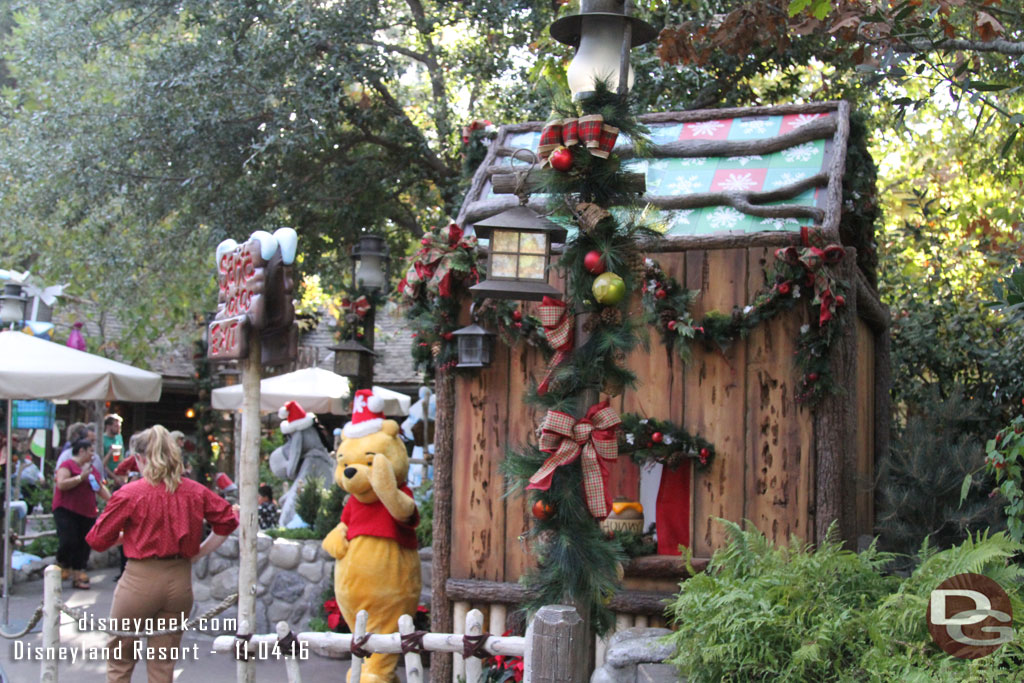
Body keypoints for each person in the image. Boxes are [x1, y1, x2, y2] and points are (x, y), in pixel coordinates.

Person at [86, 425, 239, 683]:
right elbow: (227, 521)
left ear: (141, 458)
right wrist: (199, 553)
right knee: (163, 666)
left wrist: (129, 537)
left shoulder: (130, 493)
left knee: (120, 661)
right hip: (179, 581)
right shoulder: (195, 491)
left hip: (139, 581)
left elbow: (98, 540)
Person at [53, 439, 111, 589]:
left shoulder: (92, 469)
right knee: (68, 540)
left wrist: (113, 501)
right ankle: (63, 563)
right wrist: (80, 478)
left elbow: (98, 487)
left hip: (87, 511)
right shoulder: (67, 465)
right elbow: (61, 483)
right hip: (66, 509)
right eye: (91, 451)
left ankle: (79, 573)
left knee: (84, 543)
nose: (93, 454)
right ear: (81, 451)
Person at [101, 414, 125, 484]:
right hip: (107, 476)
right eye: (116, 426)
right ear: (108, 426)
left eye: (120, 426)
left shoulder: (119, 437)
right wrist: (114, 477)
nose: (119, 429)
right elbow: (102, 463)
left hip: (120, 473)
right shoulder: (102, 440)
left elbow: (121, 457)